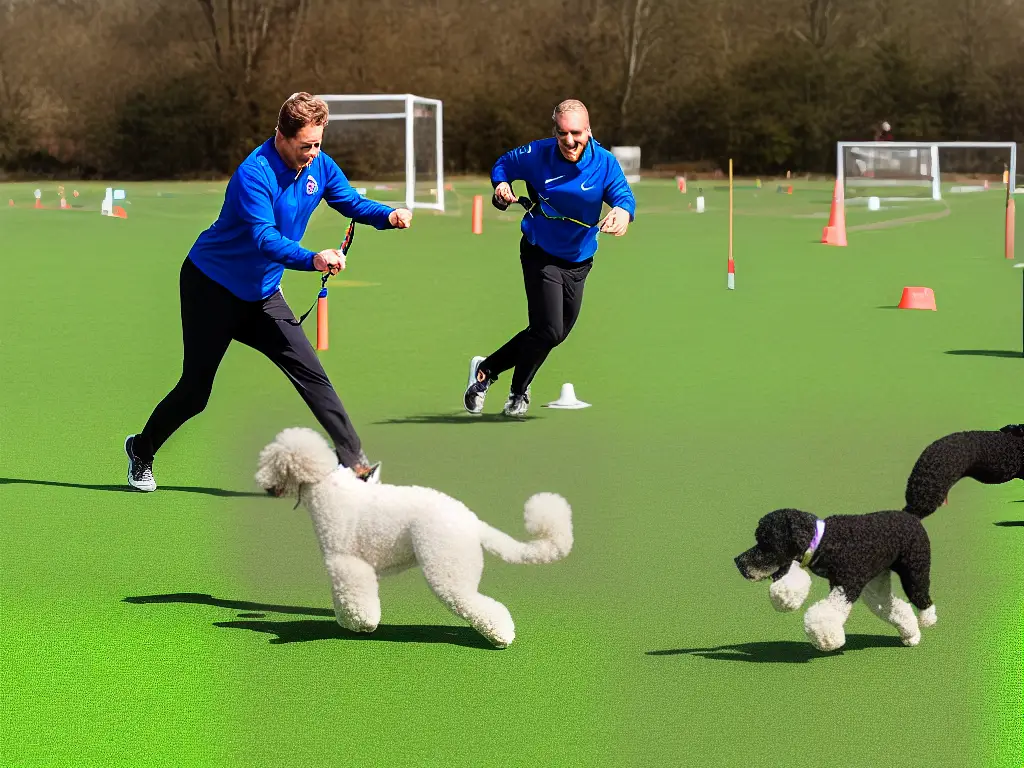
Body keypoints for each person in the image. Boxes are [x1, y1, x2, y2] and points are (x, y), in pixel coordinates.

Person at [124, 92, 412, 492]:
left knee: (311, 373)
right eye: (305, 145)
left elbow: (350, 202)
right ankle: (141, 449)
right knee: (195, 392)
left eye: (318, 144)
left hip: (262, 295)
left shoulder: (320, 166)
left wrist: (388, 215)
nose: (313, 153)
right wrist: (313, 258)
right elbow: (265, 238)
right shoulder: (253, 174)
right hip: (211, 287)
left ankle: (355, 463)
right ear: (282, 135)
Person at [462, 99, 636, 417]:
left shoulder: (605, 163)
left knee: (553, 333)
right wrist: (501, 184)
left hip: (580, 259)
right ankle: (517, 392)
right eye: (562, 133)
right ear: (554, 130)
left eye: (577, 133)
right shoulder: (536, 154)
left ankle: (486, 369)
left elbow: (623, 195)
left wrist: (623, 212)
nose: (569, 140)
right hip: (540, 252)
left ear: (589, 131)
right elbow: (503, 165)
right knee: (549, 329)